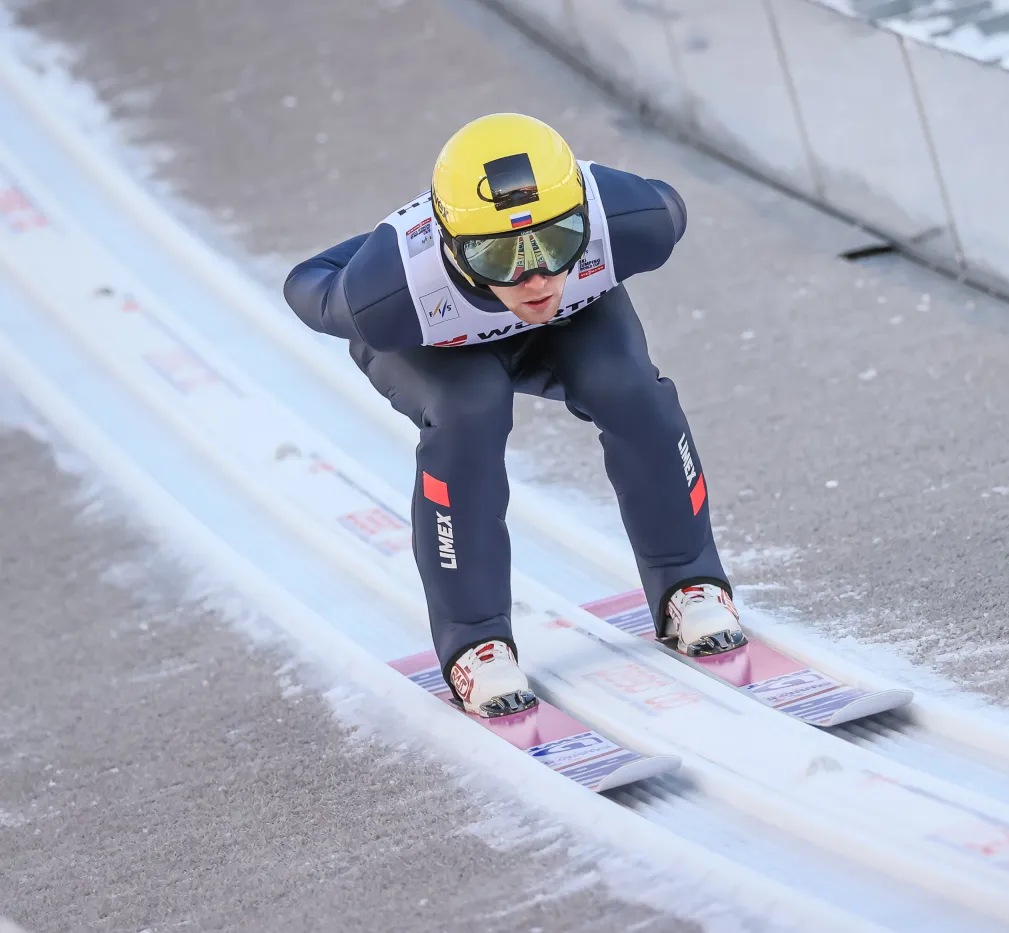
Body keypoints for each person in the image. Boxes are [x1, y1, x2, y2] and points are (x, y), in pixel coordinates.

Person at [283, 112, 745, 717]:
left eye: (556, 243)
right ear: (452, 247)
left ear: (587, 217)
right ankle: (475, 642)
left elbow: (669, 204)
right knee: (469, 411)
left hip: (570, 324)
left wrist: (518, 263)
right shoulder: (386, 296)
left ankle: (688, 579)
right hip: (433, 341)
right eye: (501, 257)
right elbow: (305, 284)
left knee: (629, 387)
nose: (534, 277)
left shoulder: (635, 221)